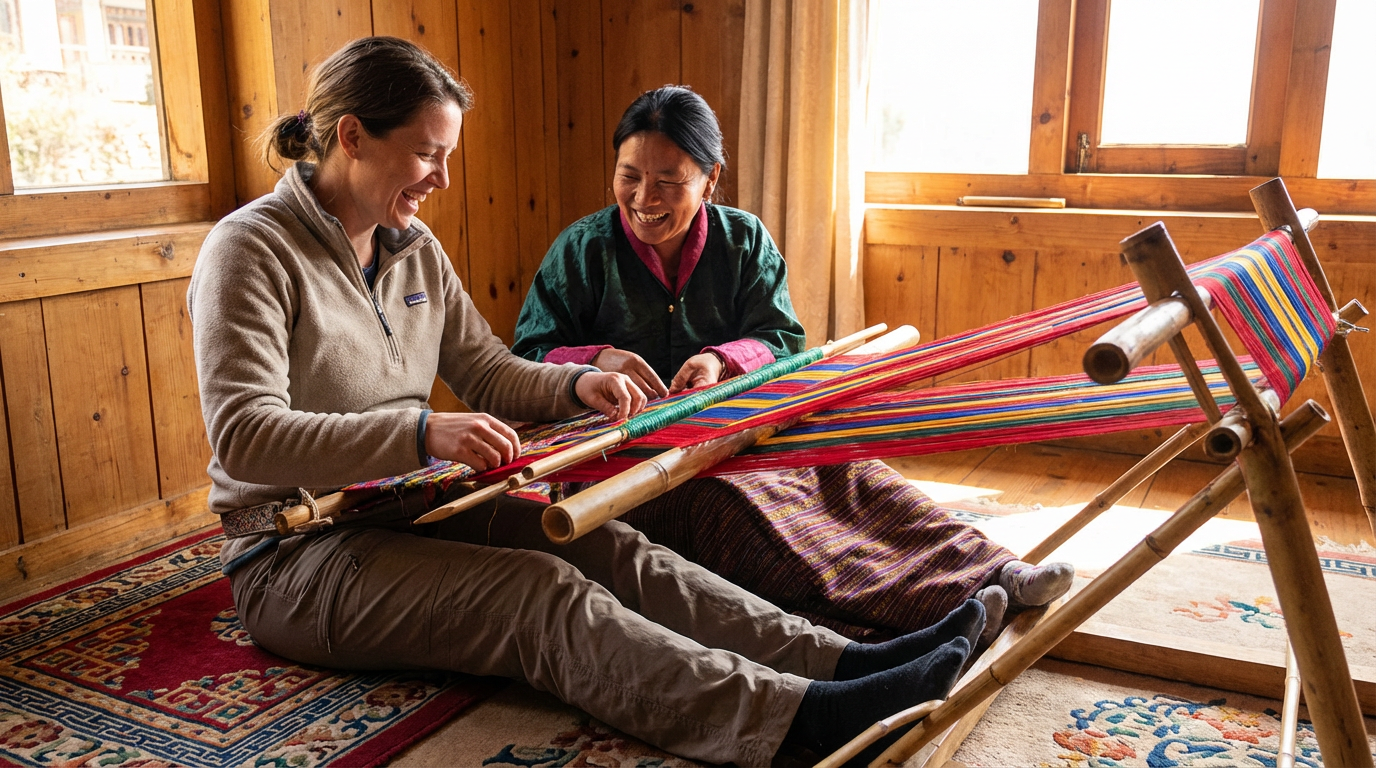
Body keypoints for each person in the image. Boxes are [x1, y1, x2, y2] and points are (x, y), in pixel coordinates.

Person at [189, 37, 985, 765]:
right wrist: (423, 431)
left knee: (605, 545)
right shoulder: (249, 250)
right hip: (294, 555)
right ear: (353, 137)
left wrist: (579, 382)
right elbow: (246, 436)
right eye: (428, 154)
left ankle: (842, 662)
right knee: (539, 594)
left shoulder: (413, 250)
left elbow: (491, 371)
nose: (443, 178)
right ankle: (798, 722)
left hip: (400, 507)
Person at [513, 86, 1076, 643]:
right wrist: (594, 365)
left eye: (668, 180)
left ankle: (997, 572)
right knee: (746, 513)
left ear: (710, 179)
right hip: (622, 465)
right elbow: (525, 357)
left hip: (737, 427)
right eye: (629, 175)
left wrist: (719, 360)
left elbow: (782, 339)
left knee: (844, 468)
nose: (643, 197)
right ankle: (934, 616)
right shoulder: (582, 249)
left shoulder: (743, 241)